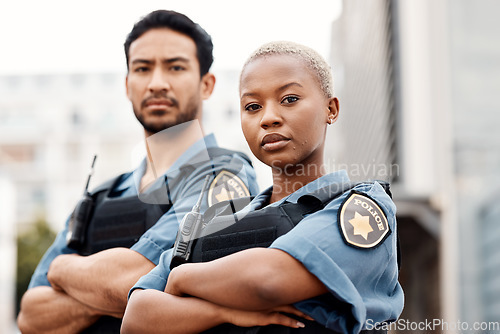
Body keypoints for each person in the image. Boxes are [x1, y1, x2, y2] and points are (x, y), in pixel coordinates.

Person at [121, 41, 404, 333]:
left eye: (289, 99)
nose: (268, 118)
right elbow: (136, 317)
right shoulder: (212, 218)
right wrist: (222, 312)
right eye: (253, 107)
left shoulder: (362, 206)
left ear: (331, 109)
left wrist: (181, 279)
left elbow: (268, 281)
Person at [17, 10, 259, 334]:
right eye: (143, 68)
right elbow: (31, 316)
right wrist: (111, 292)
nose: (157, 83)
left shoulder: (227, 176)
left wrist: (63, 270)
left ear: (207, 84)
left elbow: (136, 280)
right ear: (128, 85)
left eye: (175, 67)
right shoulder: (100, 195)